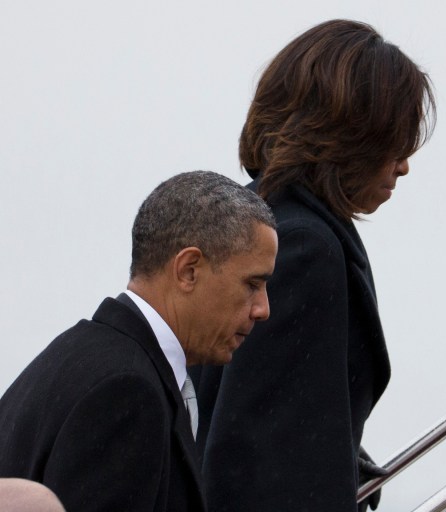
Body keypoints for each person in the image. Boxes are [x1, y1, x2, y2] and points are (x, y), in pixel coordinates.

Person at [195, 19, 435, 512]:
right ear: (350, 133)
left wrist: (342, 457)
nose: (405, 162)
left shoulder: (244, 219)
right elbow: (262, 457)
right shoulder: (302, 246)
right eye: (395, 137)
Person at [0, 171, 278, 512]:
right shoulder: (127, 392)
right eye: (252, 283)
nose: (263, 309)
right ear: (189, 270)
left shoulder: (72, 358)